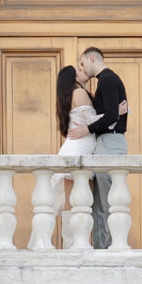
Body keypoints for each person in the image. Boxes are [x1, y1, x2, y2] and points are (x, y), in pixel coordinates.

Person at [75, 46, 128, 247]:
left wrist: (87, 129)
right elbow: (106, 111)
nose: (83, 68)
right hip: (106, 142)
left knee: (108, 203)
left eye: (82, 64)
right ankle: (101, 248)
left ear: (91, 58)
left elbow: (112, 116)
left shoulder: (107, 79)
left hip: (111, 142)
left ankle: (113, 248)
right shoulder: (103, 81)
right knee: (99, 203)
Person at [53, 64, 98, 240]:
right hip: (79, 152)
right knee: (81, 203)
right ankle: (78, 244)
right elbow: (92, 121)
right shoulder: (78, 93)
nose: (83, 71)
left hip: (75, 150)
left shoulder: (69, 96)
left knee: (72, 204)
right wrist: (116, 113)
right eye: (78, 71)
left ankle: (71, 245)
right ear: (73, 78)